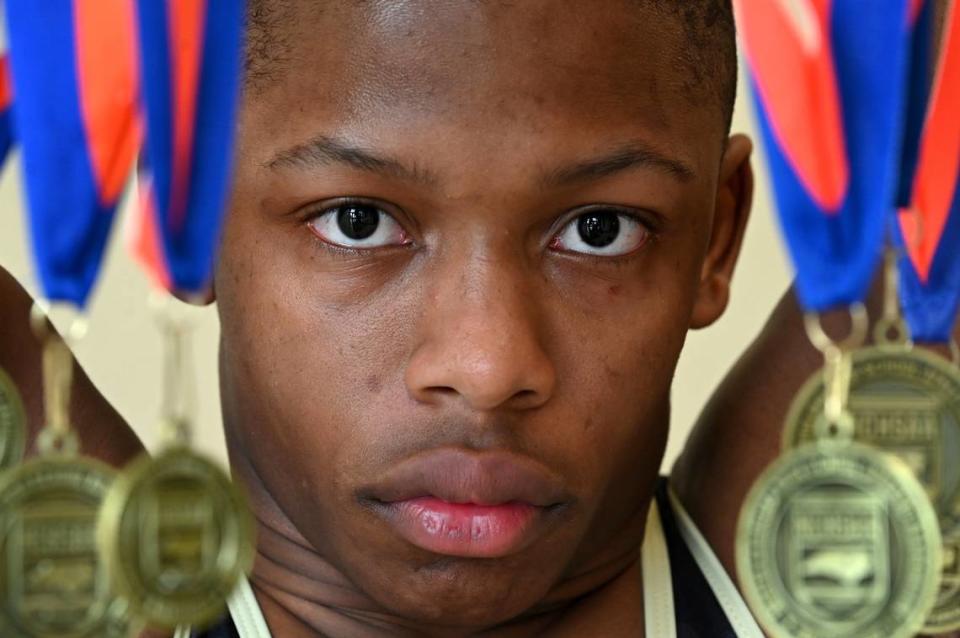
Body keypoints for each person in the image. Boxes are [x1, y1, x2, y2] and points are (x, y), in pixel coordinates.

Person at [1, 0, 753, 635]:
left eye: (600, 230)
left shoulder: (816, 558)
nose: (485, 368)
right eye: (357, 222)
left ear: (714, 243)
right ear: (186, 213)